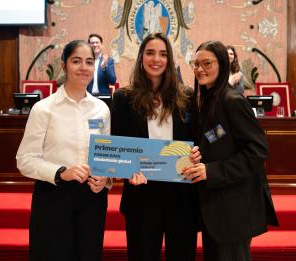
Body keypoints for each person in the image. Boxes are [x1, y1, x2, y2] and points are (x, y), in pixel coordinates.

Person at [16, 40, 111, 261]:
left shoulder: (102, 109)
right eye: (76, 61)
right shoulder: (44, 109)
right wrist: (61, 172)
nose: (83, 67)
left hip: (92, 198)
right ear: (64, 64)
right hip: (53, 197)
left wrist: (105, 177)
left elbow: (105, 156)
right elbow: (25, 160)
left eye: (89, 62)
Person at [185, 40, 279, 261]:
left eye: (207, 63)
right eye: (196, 64)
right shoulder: (207, 100)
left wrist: (212, 171)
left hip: (233, 212)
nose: (200, 69)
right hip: (215, 211)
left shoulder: (232, 101)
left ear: (223, 65)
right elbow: (216, 143)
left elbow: (257, 151)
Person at [111, 33, 199, 261]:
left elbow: (196, 140)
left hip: (181, 196)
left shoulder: (187, 97)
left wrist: (197, 153)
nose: (156, 59)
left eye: (163, 54)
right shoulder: (123, 98)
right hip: (141, 194)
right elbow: (117, 145)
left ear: (169, 60)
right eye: (150, 53)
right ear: (141, 57)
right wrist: (126, 170)